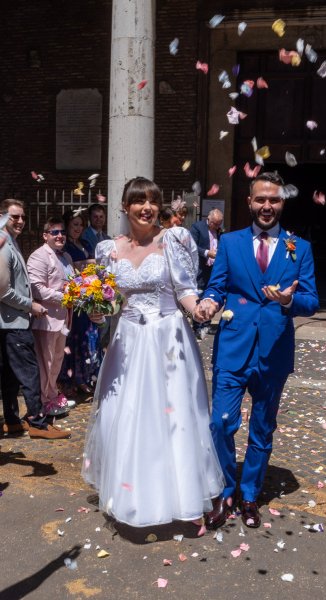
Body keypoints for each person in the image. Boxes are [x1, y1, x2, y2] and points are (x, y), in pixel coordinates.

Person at [82, 176, 224, 529]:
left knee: (175, 418)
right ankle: (133, 497)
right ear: (125, 207)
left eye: (152, 201)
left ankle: (187, 500)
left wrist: (199, 309)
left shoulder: (173, 239)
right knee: (128, 417)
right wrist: (98, 311)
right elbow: (110, 303)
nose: (146, 208)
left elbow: (186, 289)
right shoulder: (108, 250)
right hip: (128, 340)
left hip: (167, 340)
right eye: (139, 201)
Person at [194, 171, 319, 529]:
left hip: (274, 351)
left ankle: (249, 495)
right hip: (233, 347)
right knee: (220, 424)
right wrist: (207, 304)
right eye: (260, 199)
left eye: (274, 200)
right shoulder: (230, 243)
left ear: (283, 203)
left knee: (263, 430)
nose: (267, 206)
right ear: (249, 201)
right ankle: (223, 491)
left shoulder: (300, 248)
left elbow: (310, 300)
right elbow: (217, 287)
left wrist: (290, 299)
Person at [0, 199, 71, 439]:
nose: (20, 221)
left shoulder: (11, 242)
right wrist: (31, 305)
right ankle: (38, 422)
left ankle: (11, 420)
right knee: (30, 372)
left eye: (22, 216)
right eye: (14, 217)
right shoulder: (4, 245)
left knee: (10, 374)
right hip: (13, 320)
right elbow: (3, 290)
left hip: (12, 321)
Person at [27, 217, 76, 416]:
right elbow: (36, 289)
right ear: (45, 235)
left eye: (62, 232)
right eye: (54, 232)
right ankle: (43, 402)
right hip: (45, 319)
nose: (60, 235)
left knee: (56, 361)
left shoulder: (66, 257)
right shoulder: (39, 256)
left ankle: (53, 395)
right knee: (45, 362)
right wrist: (65, 297)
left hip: (63, 318)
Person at [59, 210, 101, 395]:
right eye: (74, 224)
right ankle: (70, 380)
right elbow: (73, 269)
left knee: (89, 338)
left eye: (81, 225)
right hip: (75, 299)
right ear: (67, 225)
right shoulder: (65, 246)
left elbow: (93, 266)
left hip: (89, 297)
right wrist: (86, 266)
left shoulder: (85, 243)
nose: (78, 228)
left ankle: (84, 378)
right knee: (75, 338)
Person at [190, 209, 224, 339]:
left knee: (210, 295)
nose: (217, 226)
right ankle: (197, 325)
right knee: (199, 295)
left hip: (213, 269)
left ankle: (207, 324)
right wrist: (207, 253)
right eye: (215, 224)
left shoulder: (220, 231)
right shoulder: (197, 227)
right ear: (209, 219)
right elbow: (192, 246)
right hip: (201, 268)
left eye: (219, 224)